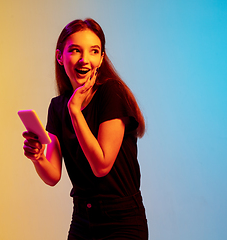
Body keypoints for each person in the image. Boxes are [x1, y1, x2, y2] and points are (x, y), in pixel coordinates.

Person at [23, 18, 148, 239]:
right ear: (60, 57)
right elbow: (52, 176)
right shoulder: (58, 107)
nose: (84, 59)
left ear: (101, 58)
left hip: (122, 221)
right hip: (83, 219)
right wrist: (38, 157)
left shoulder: (111, 93)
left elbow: (101, 165)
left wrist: (75, 111)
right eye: (75, 51)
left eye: (93, 51)